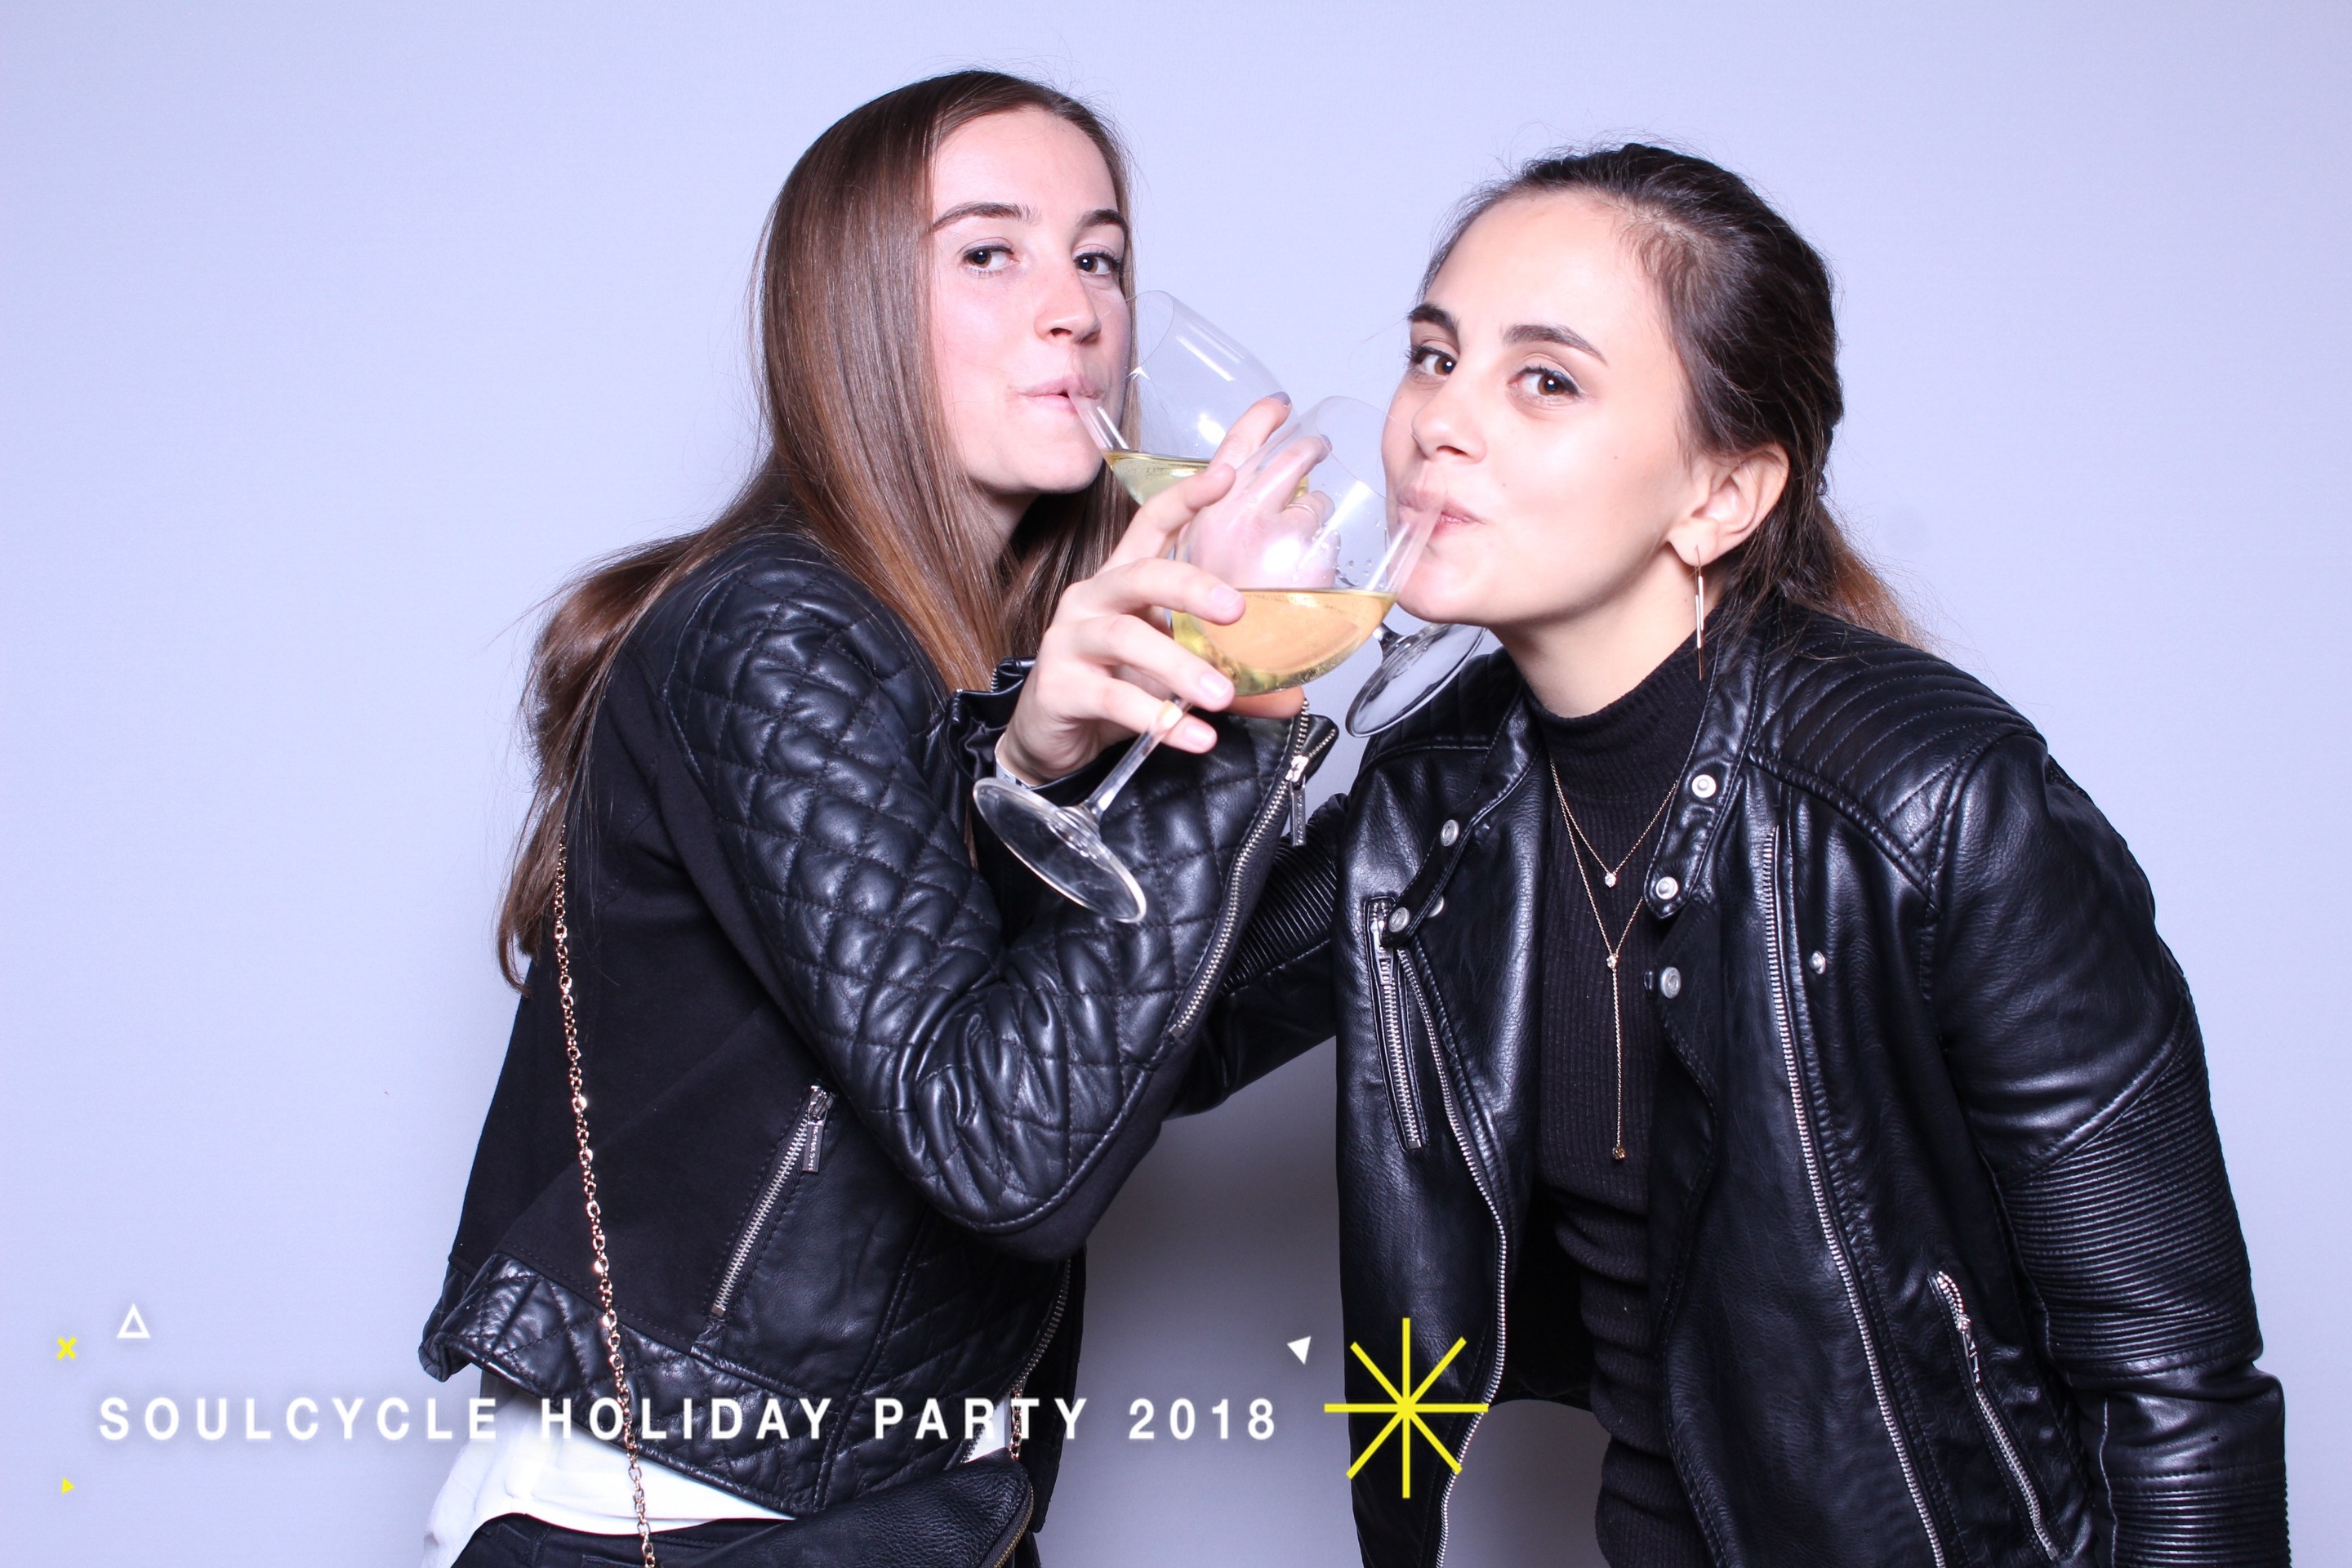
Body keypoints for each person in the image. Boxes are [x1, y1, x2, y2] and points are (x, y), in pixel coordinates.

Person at [1172, 145, 2287, 1565]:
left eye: (1545, 379)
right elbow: (1160, 1049)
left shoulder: (1935, 802)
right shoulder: (1444, 788)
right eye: (1434, 357)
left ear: (1723, 495)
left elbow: (2178, 1385)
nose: (1438, 421)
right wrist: (1227, 694)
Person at [416, 70, 1323, 1567]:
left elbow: (1149, 1047)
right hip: (688, 1521)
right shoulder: (777, 630)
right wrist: (1235, 699)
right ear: (852, 312)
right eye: (990, 251)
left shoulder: (985, 673)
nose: (1074, 309)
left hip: (898, 1506)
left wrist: (1450, 784)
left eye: (1100, 258)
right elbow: (1005, 1148)